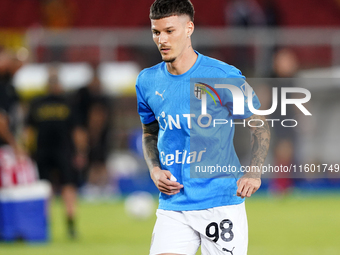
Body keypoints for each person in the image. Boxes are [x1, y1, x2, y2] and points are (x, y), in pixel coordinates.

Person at [135, 1, 270, 254]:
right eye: (156, 32)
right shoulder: (146, 81)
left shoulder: (223, 76)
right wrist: (154, 169)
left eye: (169, 31)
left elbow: (259, 126)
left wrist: (254, 172)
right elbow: (149, 132)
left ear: (189, 28)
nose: (162, 39)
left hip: (220, 202)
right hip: (174, 205)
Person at [26, 70, 84, 238]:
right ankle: (69, 225)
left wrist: (28, 150)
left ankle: (47, 225)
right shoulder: (67, 102)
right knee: (65, 187)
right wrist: (81, 152)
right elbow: (77, 131)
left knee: (48, 189)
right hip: (62, 152)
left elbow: (28, 131)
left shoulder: (37, 103)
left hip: (46, 152)